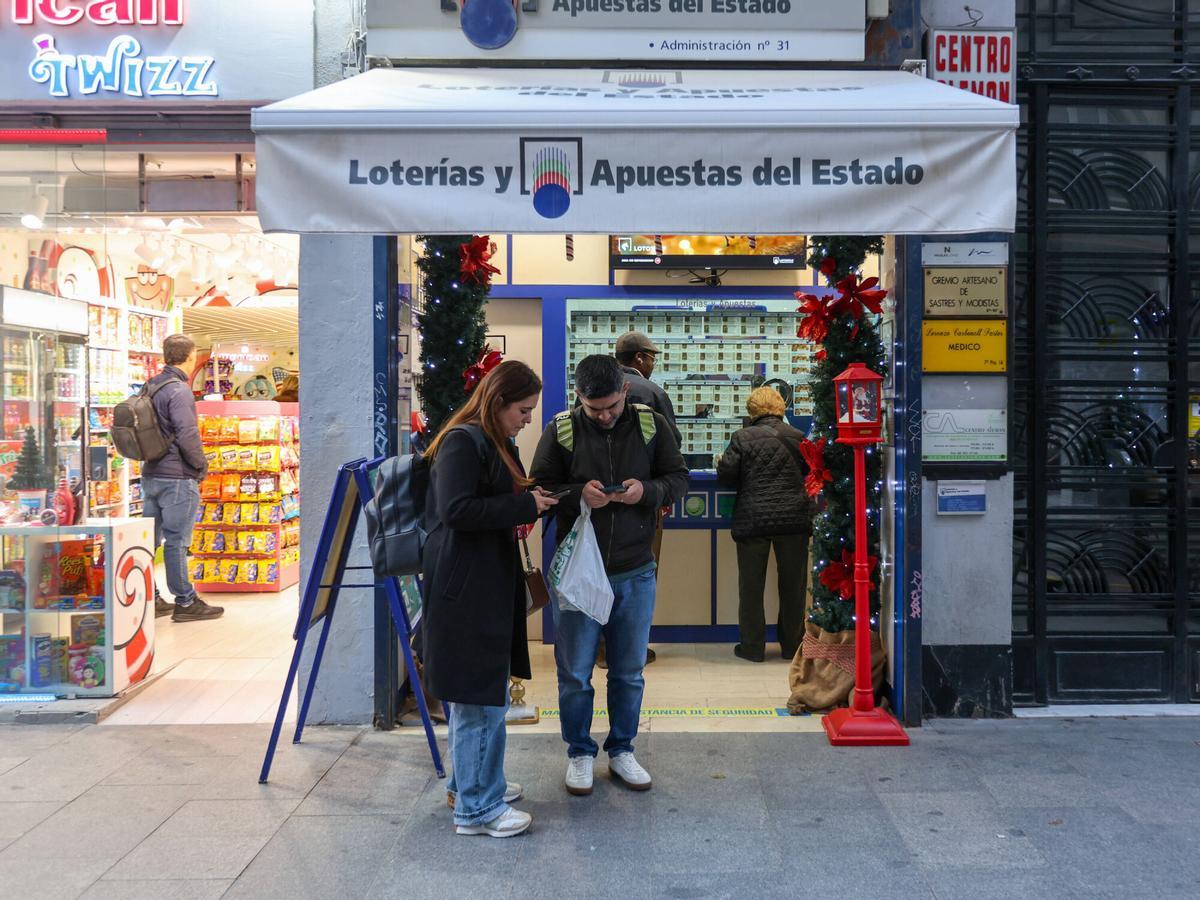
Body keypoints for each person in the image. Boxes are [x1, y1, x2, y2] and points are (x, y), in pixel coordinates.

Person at [531, 355, 688, 796]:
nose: (603, 416)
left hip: (636, 569)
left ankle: (622, 749)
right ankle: (580, 752)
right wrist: (577, 493)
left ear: (624, 391)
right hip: (581, 573)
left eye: (611, 407)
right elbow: (539, 490)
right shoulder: (561, 429)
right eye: (593, 407)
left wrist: (647, 492)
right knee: (576, 673)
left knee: (628, 671)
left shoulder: (651, 424)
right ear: (578, 396)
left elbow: (678, 477)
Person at [421, 360, 558, 838]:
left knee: (481, 698)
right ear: (498, 402)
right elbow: (456, 510)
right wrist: (523, 505)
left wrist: (533, 497)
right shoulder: (463, 440)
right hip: (466, 591)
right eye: (523, 409)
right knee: (480, 702)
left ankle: (472, 785)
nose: (527, 418)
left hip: (478, 586)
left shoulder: (490, 440)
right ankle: (478, 810)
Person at [716, 387, 813, 662]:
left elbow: (727, 476)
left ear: (752, 410)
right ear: (781, 408)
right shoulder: (798, 437)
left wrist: (721, 463)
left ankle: (752, 647)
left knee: (751, 586)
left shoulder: (742, 437)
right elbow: (810, 472)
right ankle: (791, 647)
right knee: (793, 587)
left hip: (753, 519)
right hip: (793, 520)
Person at [144, 334, 224, 622]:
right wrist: (201, 466)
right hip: (177, 476)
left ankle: (149, 597)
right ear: (190, 358)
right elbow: (188, 434)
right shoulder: (179, 390)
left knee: (148, 541)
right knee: (177, 541)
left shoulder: (151, 386)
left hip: (151, 473)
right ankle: (186, 602)